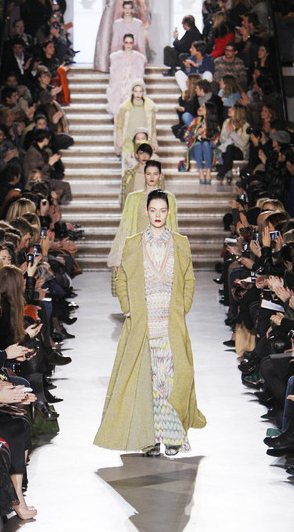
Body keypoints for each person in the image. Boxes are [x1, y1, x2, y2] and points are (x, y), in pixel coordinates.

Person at [95, 189, 206, 455]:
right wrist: (128, 308)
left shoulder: (180, 243)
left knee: (172, 382)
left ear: (169, 212)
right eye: (153, 210)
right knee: (148, 384)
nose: (157, 215)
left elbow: (189, 278)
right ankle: (151, 439)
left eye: (162, 210)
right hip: (142, 326)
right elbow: (122, 278)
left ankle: (173, 436)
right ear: (146, 211)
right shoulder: (133, 243)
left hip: (171, 325)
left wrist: (183, 307)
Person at [107, 161, 177, 294]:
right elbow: (125, 228)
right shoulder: (133, 198)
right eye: (148, 174)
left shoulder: (169, 198)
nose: (152, 177)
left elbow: (173, 227)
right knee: (137, 292)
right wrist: (118, 257)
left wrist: (175, 257)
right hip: (138, 250)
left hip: (160, 251)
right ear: (144, 175)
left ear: (160, 175)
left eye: (155, 174)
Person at [93, 0, 135, 72]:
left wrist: (130, 11)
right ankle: (112, 64)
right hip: (113, 10)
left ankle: (127, 64)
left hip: (126, 10)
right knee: (112, 36)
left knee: (126, 35)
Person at [115, 79, 158, 170]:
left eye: (140, 91)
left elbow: (153, 127)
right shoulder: (125, 108)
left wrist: (154, 140)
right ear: (132, 92)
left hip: (144, 141)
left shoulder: (150, 108)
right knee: (128, 168)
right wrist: (119, 138)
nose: (138, 94)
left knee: (144, 168)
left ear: (143, 92)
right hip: (128, 142)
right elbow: (119, 126)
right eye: (135, 91)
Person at [179, 102, 220, 184]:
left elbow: (215, 142)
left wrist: (207, 138)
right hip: (195, 151)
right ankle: (201, 172)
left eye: (203, 107)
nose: (200, 108)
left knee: (205, 144)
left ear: (208, 110)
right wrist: (197, 133)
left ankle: (208, 172)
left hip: (208, 152)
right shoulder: (196, 121)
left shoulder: (215, 125)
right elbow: (187, 137)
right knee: (198, 144)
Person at [107, 33, 146, 116]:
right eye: (126, 42)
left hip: (131, 87)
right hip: (120, 87)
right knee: (118, 112)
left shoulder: (139, 58)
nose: (128, 45)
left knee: (131, 112)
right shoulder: (116, 57)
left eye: (130, 43)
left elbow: (140, 76)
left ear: (133, 43)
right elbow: (113, 75)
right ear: (123, 43)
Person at [216, 104, 250, 183]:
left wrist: (232, 133)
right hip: (226, 151)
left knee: (230, 148)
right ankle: (228, 171)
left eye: (231, 109)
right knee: (227, 150)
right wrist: (227, 133)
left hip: (240, 152)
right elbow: (222, 140)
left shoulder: (246, 126)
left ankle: (223, 170)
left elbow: (243, 144)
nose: (229, 110)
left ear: (237, 112)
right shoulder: (227, 122)